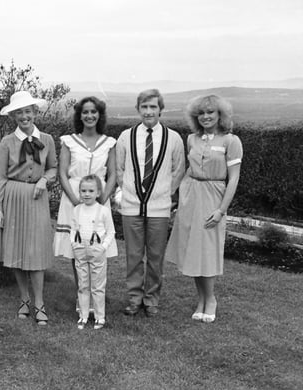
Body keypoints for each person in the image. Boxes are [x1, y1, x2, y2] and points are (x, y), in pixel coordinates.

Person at [166, 95, 242, 323]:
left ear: (220, 115)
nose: (206, 117)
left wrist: (221, 210)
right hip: (191, 196)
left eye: (211, 112)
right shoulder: (191, 139)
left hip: (213, 197)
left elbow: (234, 179)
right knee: (193, 251)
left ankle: (211, 300)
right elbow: (189, 170)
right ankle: (201, 299)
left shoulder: (231, 141)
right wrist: (175, 195)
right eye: (202, 113)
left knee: (207, 250)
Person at [115, 89, 185, 317]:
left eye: (153, 107)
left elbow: (178, 170)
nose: (148, 111)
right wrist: (128, 192)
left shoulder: (173, 138)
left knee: (155, 257)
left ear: (160, 109)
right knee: (134, 256)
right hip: (132, 205)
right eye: (144, 107)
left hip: (160, 207)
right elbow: (119, 169)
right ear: (138, 109)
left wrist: (165, 193)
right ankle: (134, 298)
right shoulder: (126, 136)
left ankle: (152, 299)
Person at [0, 91, 57, 326]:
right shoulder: (7, 142)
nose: (24, 116)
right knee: (18, 250)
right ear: (13, 116)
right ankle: (24, 298)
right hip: (13, 196)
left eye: (27, 111)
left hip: (37, 198)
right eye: (19, 112)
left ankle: (39, 302)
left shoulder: (47, 139)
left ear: (35, 112)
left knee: (36, 251)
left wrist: (44, 181)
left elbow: (53, 169)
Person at [53, 96, 118, 312]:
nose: (89, 116)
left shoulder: (109, 143)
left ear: (99, 115)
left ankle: (96, 294)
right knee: (78, 248)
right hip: (74, 198)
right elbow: (62, 173)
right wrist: (75, 200)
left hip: (99, 200)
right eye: (85, 112)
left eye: (93, 112)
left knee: (97, 248)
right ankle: (82, 295)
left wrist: (102, 200)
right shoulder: (69, 141)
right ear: (79, 116)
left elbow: (113, 174)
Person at [70, 175, 116, 330]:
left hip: (97, 251)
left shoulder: (103, 211)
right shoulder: (76, 210)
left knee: (97, 285)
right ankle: (83, 315)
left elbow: (111, 232)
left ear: (98, 192)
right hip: (80, 251)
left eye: (91, 190)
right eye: (83, 191)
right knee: (83, 284)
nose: (86, 194)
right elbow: (73, 230)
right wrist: (74, 245)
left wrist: (103, 247)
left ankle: (99, 316)